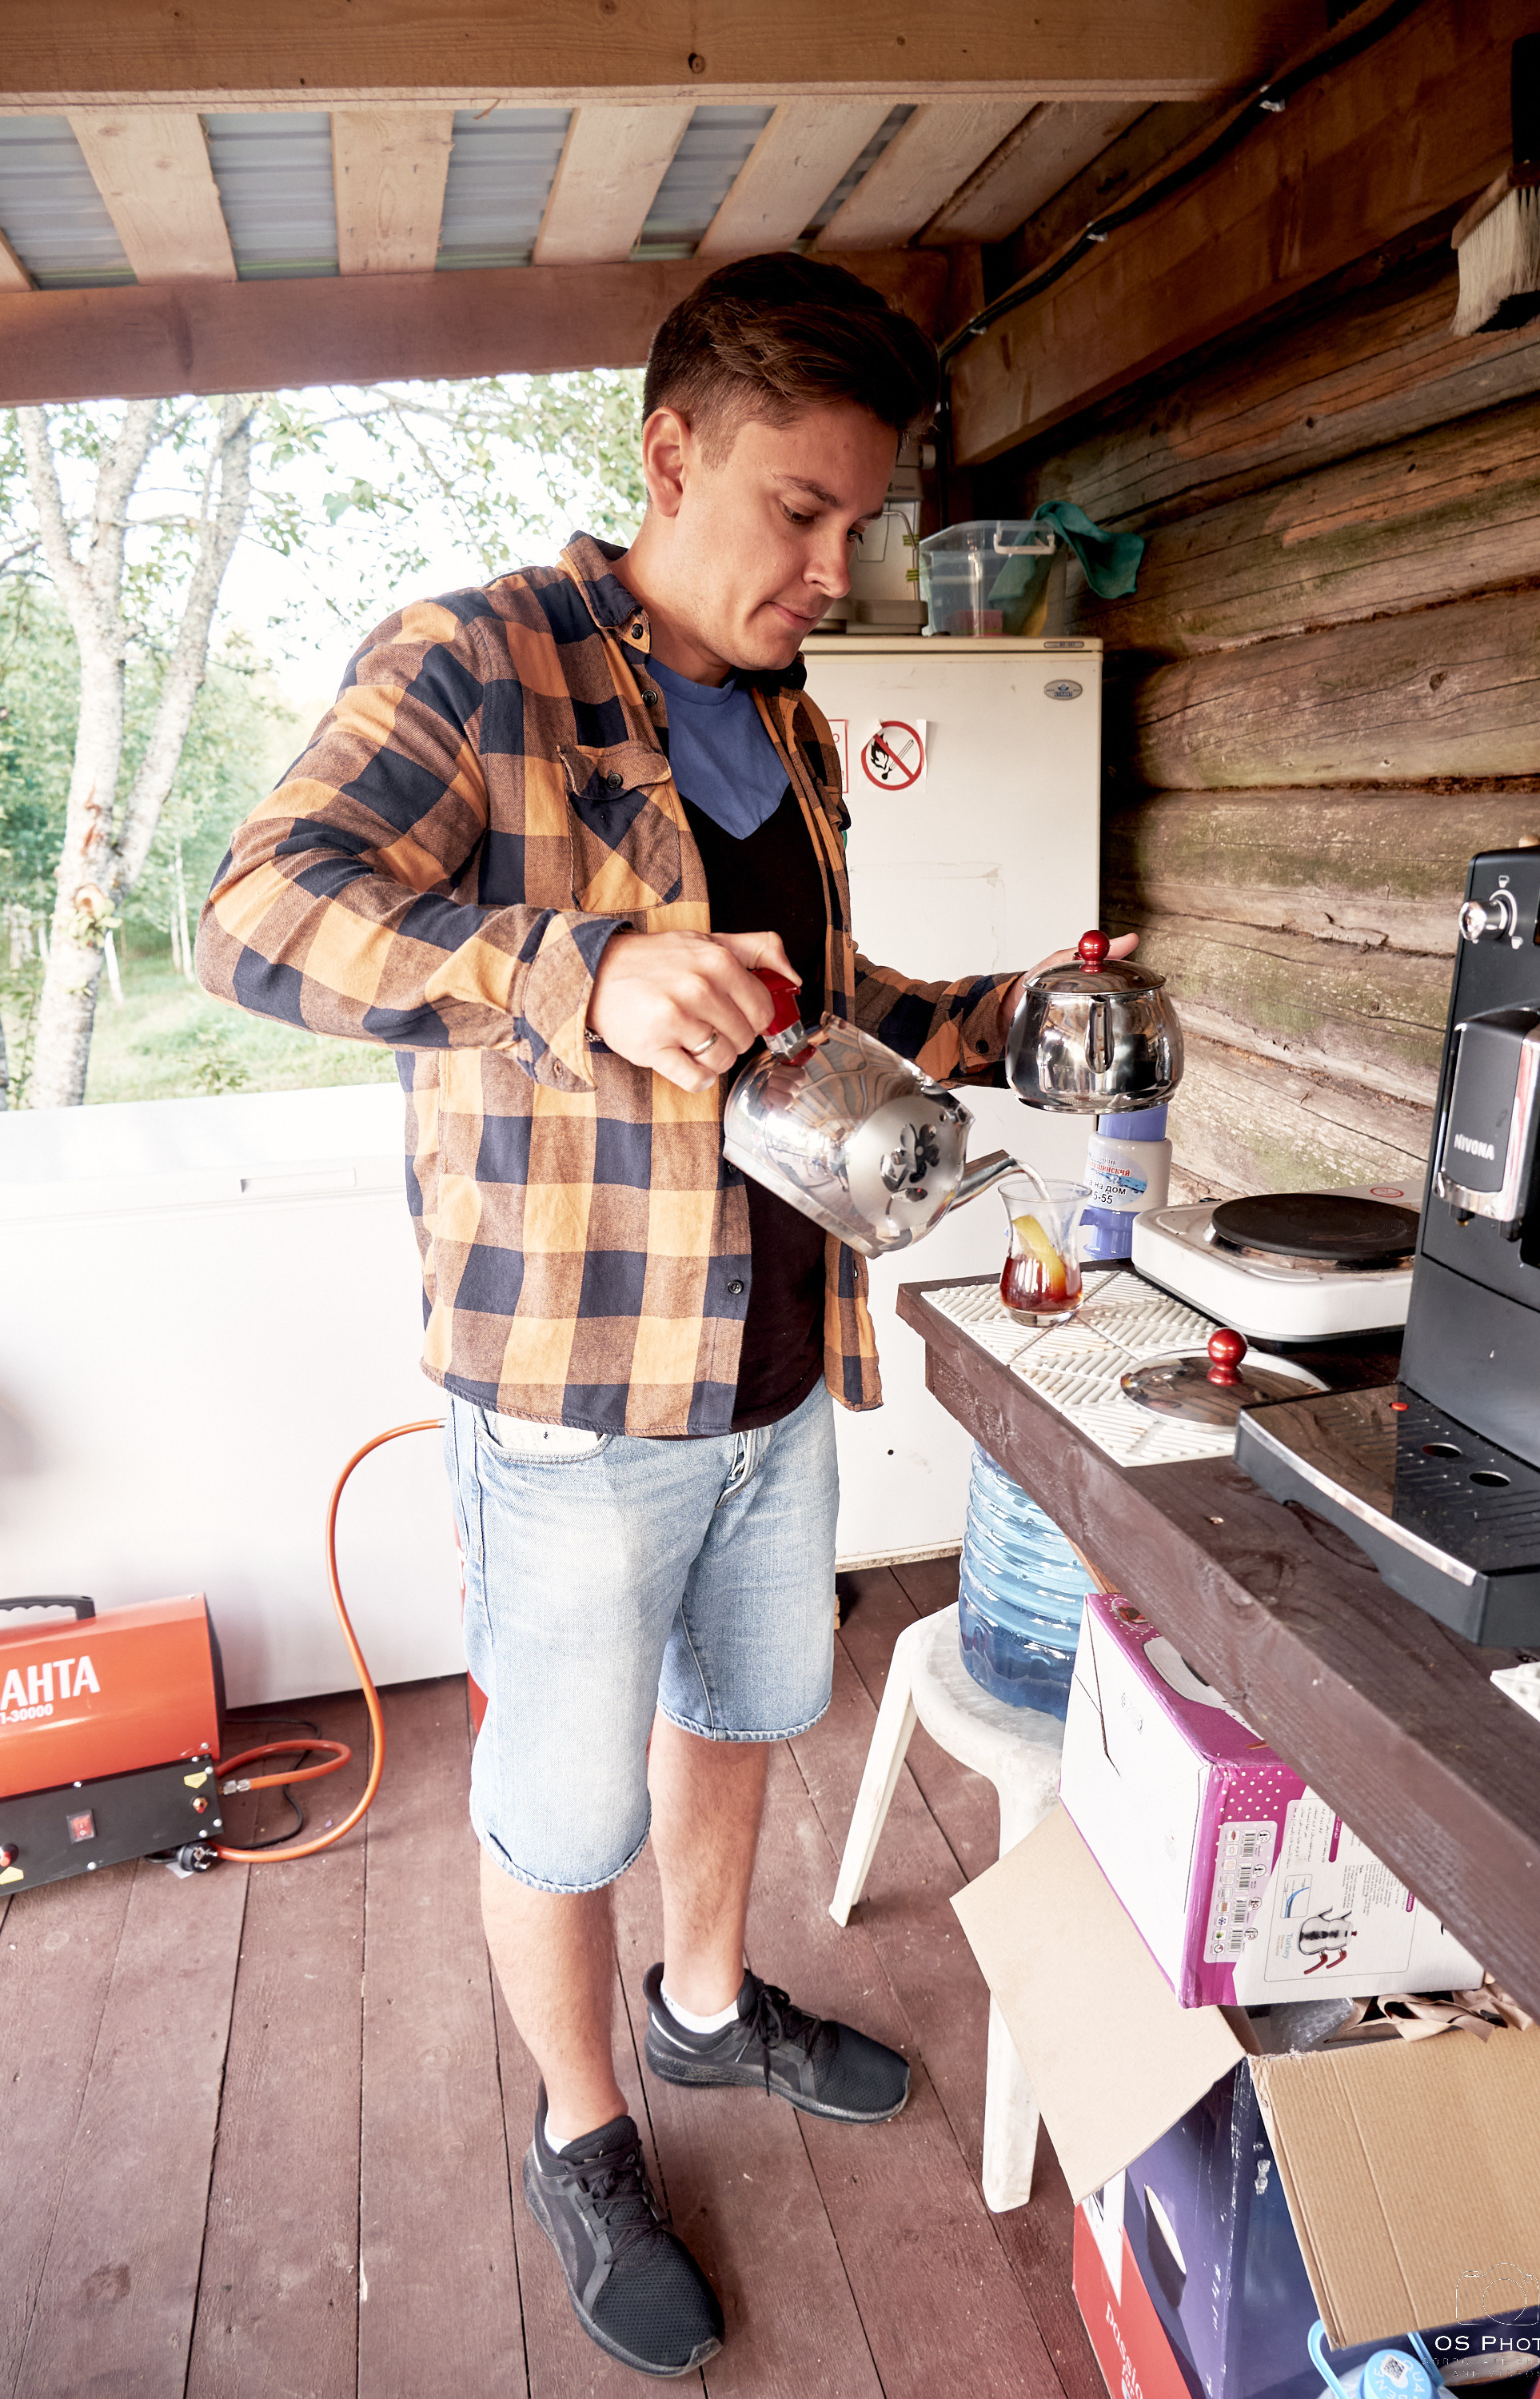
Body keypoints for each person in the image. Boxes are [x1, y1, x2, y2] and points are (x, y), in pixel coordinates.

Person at [197, 252, 1129, 2381]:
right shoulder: (478, 656)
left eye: (860, 524)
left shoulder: (786, 729)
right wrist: (570, 968)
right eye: (796, 511)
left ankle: (705, 2012)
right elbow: (249, 919)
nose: (833, 564)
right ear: (670, 451)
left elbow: (828, 1014)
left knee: (743, 1709)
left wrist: (1009, 1010)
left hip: (783, 1358)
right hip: (571, 1386)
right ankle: (584, 2122)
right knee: (559, 1803)